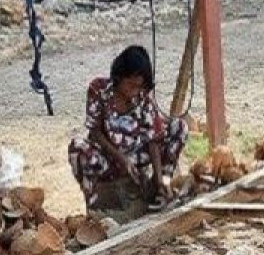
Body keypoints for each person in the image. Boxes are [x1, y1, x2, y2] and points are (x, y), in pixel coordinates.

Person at [69, 45, 188, 213]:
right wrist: (121, 158)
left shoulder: (142, 96)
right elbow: (95, 132)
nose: (135, 91)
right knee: (78, 147)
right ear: (119, 77)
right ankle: (97, 206)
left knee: (179, 127)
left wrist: (160, 176)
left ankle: (159, 188)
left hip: (137, 155)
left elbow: (153, 138)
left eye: (139, 87)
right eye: (131, 85)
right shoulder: (99, 90)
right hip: (109, 157)